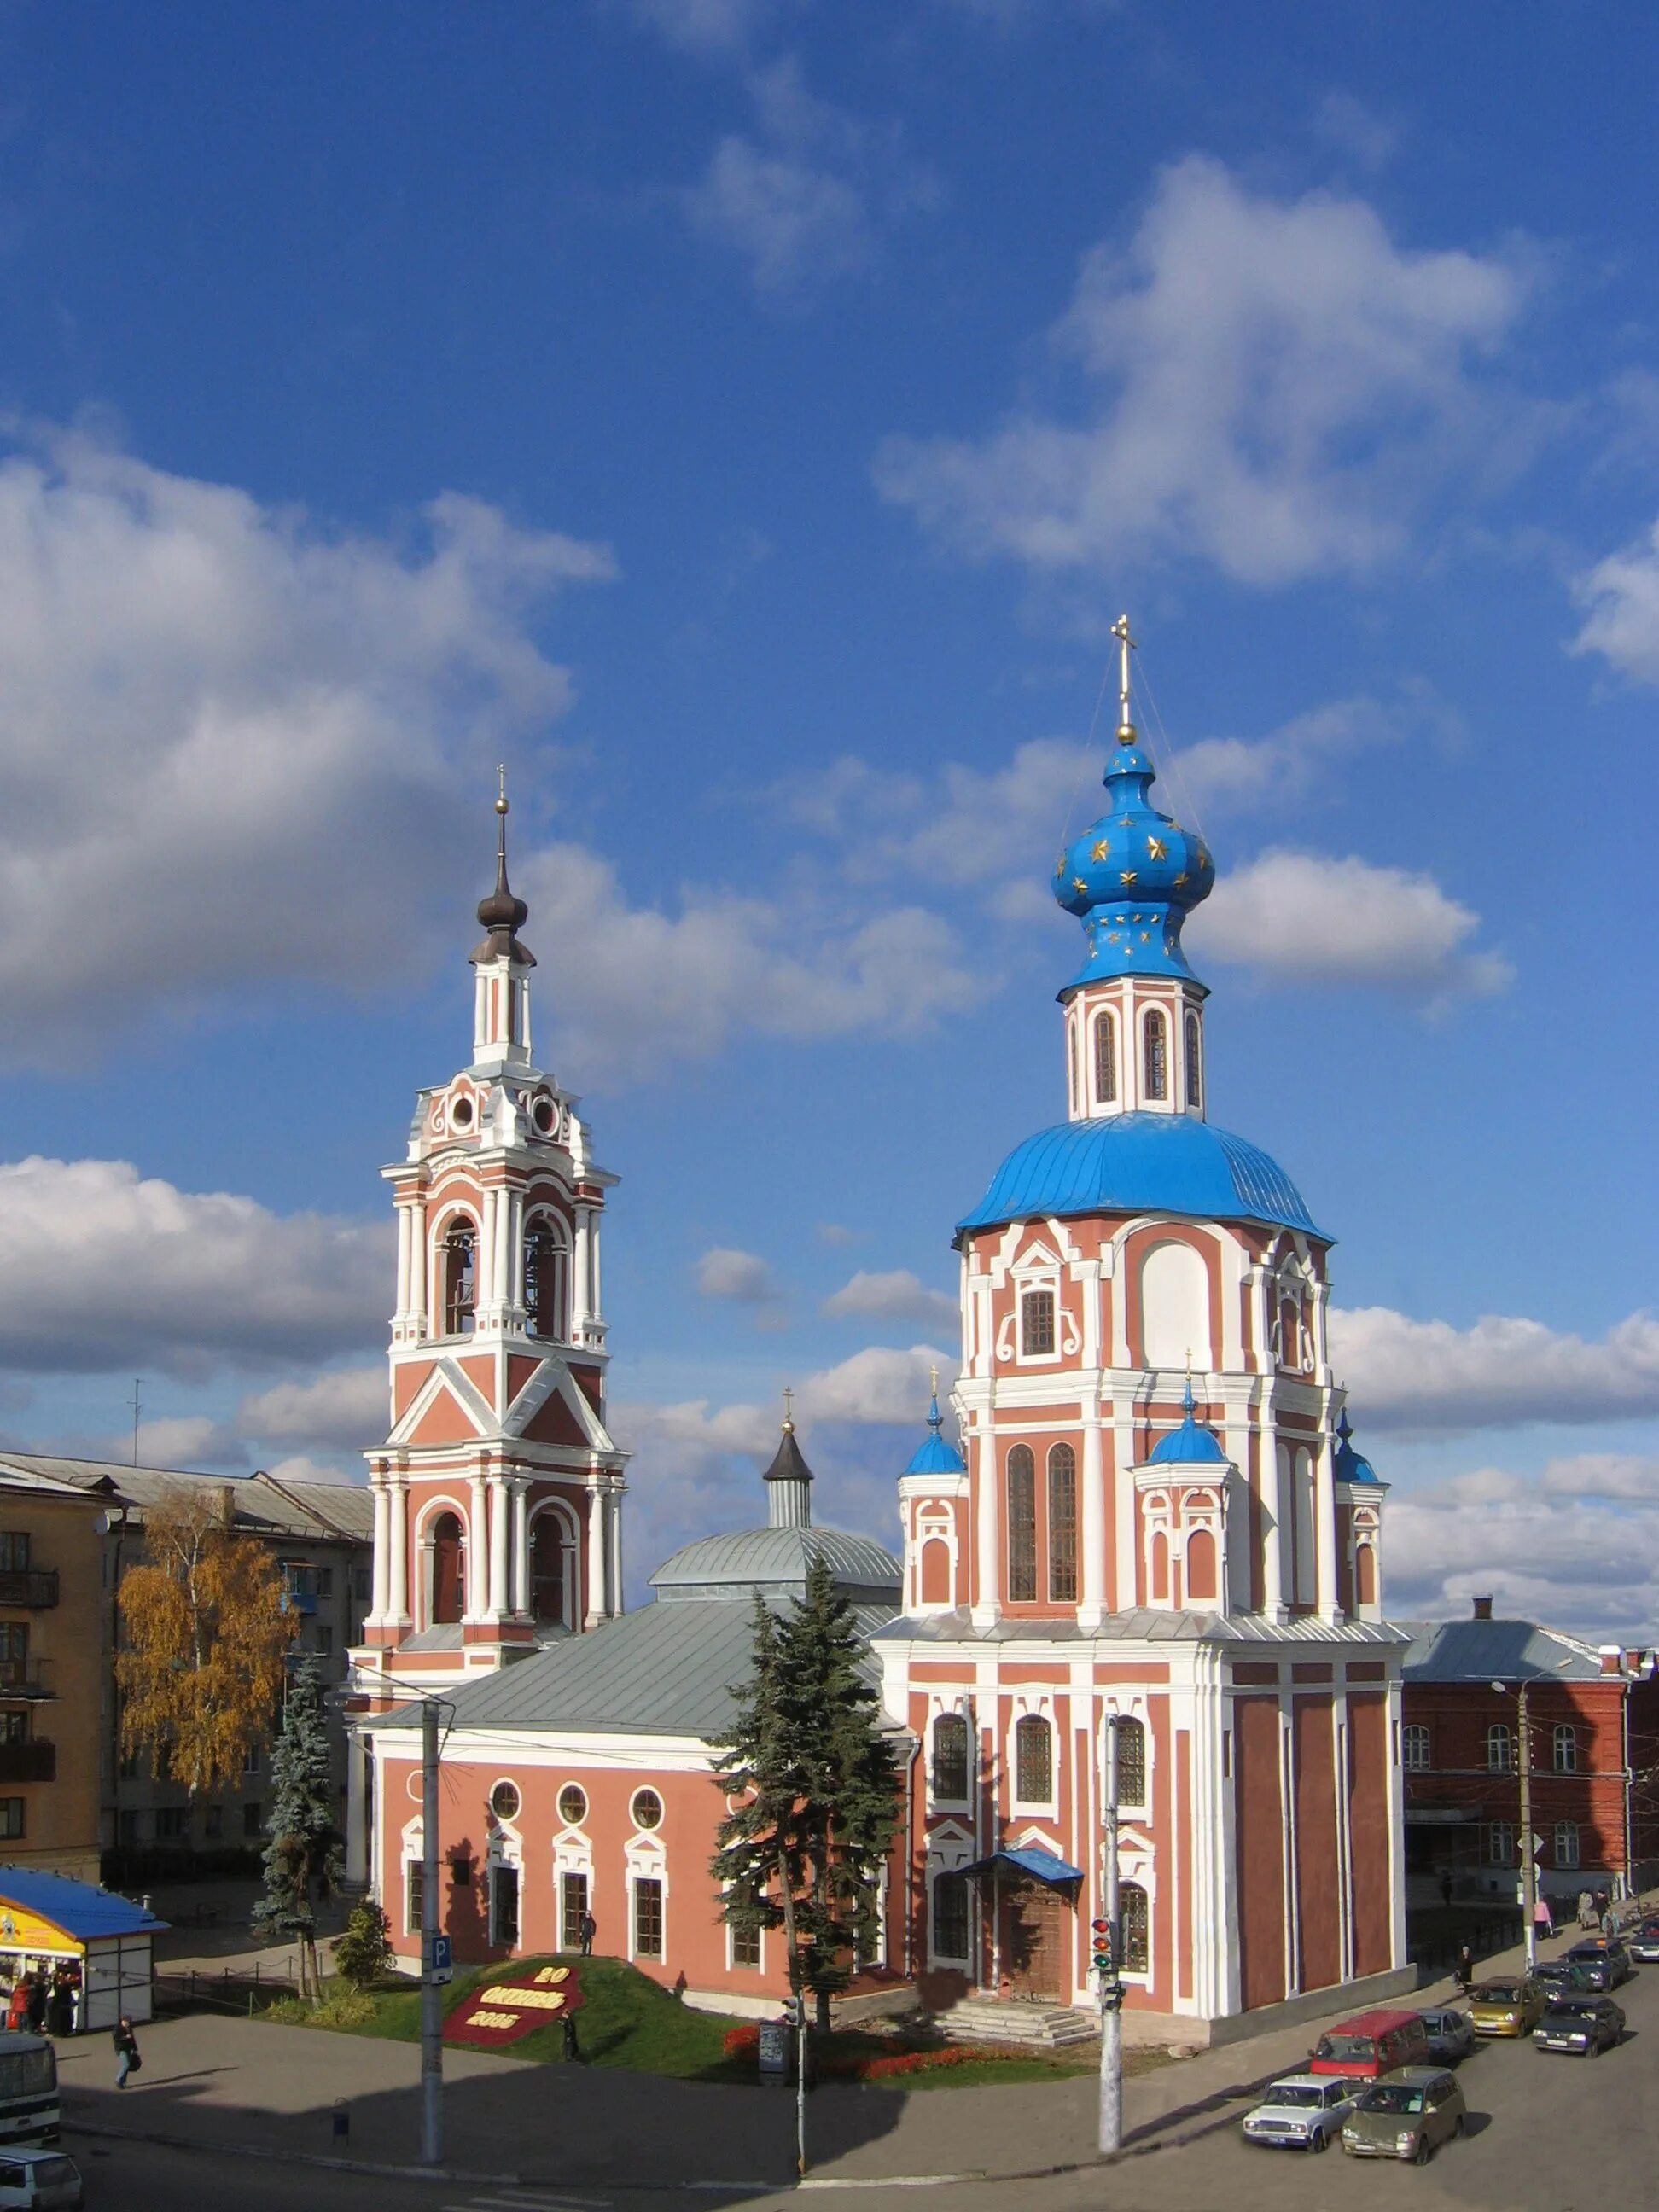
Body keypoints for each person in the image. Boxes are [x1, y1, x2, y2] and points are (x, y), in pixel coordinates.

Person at [113, 2016, 140, 2089]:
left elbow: (132, 2038)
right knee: (126, 2064)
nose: (128, 2024)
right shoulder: (117, 2028)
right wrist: (125, 2037)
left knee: (127, 2065)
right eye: (127, 2022)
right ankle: (118, 2079)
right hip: (121, 2049)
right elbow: (116, 2039)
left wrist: (135, 2048)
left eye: (129, 2022)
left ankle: (123, 2082)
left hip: (128, 2048)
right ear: (123, 2021)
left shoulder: (129, 2027)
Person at [24, 1970, 45, 2035]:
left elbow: (33, 1994)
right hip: (40, 2003)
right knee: (38, 2017)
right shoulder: (42, 1985)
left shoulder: (34, 1985)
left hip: (34, 2003)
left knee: (32, 2017)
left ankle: (31, 2030)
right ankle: (37, 2029)